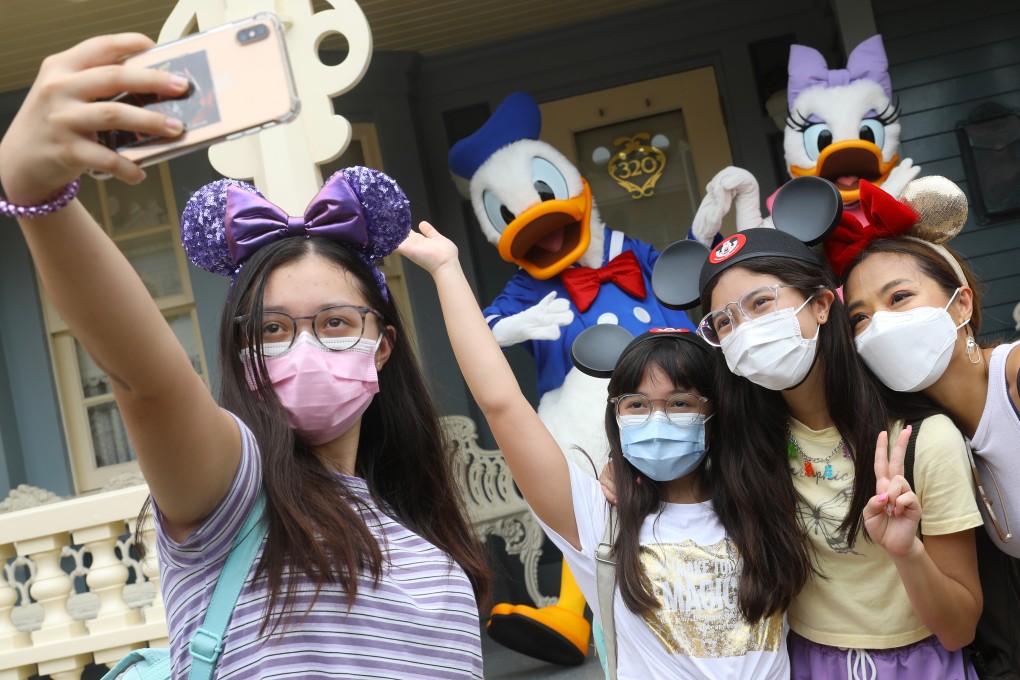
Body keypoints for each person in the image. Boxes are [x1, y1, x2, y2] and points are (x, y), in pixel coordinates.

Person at [0, 34, 489, 678]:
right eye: (272, 331)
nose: (305, 347)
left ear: (383, 345)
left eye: (336, 323)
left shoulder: (437, 552)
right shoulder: (230, 495)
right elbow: (147, 380)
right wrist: (39, 197)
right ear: (241, 353)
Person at [398, 221, 813, 679]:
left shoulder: (768, 494)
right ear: (614, 416)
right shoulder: (596, 516)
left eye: (679, 402)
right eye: (636, 405)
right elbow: (502, 405)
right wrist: (447, 270)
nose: (657, 418)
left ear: (715, 414)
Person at [690, 226, 984, 679]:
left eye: (760, 302)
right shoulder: (744, 446)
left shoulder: (921, 438)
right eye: (724, 322)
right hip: (807, 661)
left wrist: (907, 553)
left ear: (824, 304)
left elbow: (960, 628)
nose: (744, 329)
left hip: (920, 664)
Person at [836, 177, 1020, 678]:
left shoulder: (1015, 375)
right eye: (858, 318)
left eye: (898, 298)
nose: (877, 326)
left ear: (960, 304)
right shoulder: (929, 436)